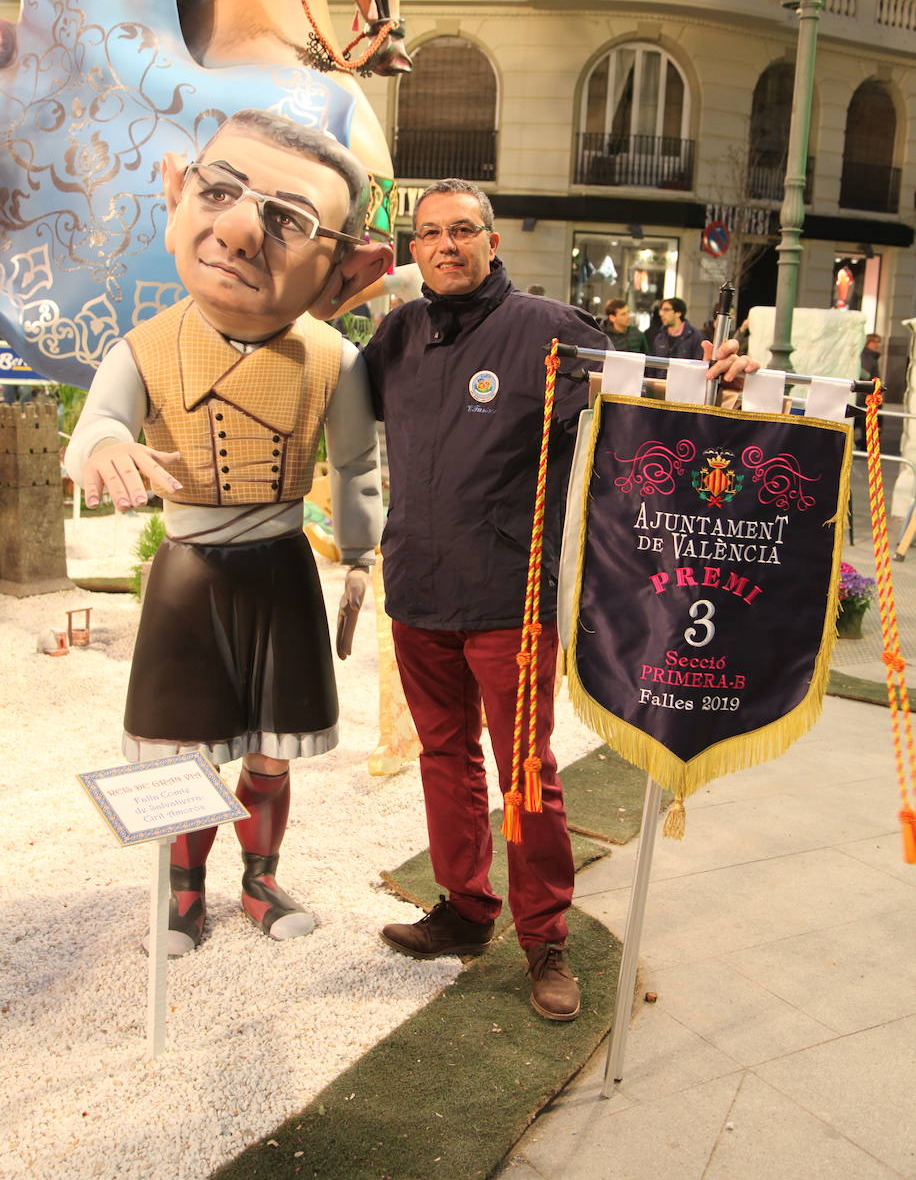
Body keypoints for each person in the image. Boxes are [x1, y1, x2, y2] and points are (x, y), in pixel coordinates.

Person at [362, 178, 751, 1021]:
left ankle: (546, 939)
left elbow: (654, 395)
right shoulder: (394, 335)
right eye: (429, 233)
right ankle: (466, 909)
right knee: (444, 757)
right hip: (417, 593)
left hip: (512, 597)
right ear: (413, 247)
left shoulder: (550, 331)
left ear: (492, 240)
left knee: (527, 771)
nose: (446, 246)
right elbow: (329, 407)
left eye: (463, 230)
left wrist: (718, 379)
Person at [65, 109, 392, 956]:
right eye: (219, 191)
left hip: (282, 571)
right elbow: (98, 426)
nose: (241, 231)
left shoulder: (336, 360)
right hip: (188, 575)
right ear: (177, 195)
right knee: (184, 752)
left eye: (288, 221)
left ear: (343, 272)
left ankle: (260, 879)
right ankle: (183, 892)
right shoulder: (143, 349)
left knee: (272, 752)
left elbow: (357, 468)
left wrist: (358, 559)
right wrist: (103, 446)